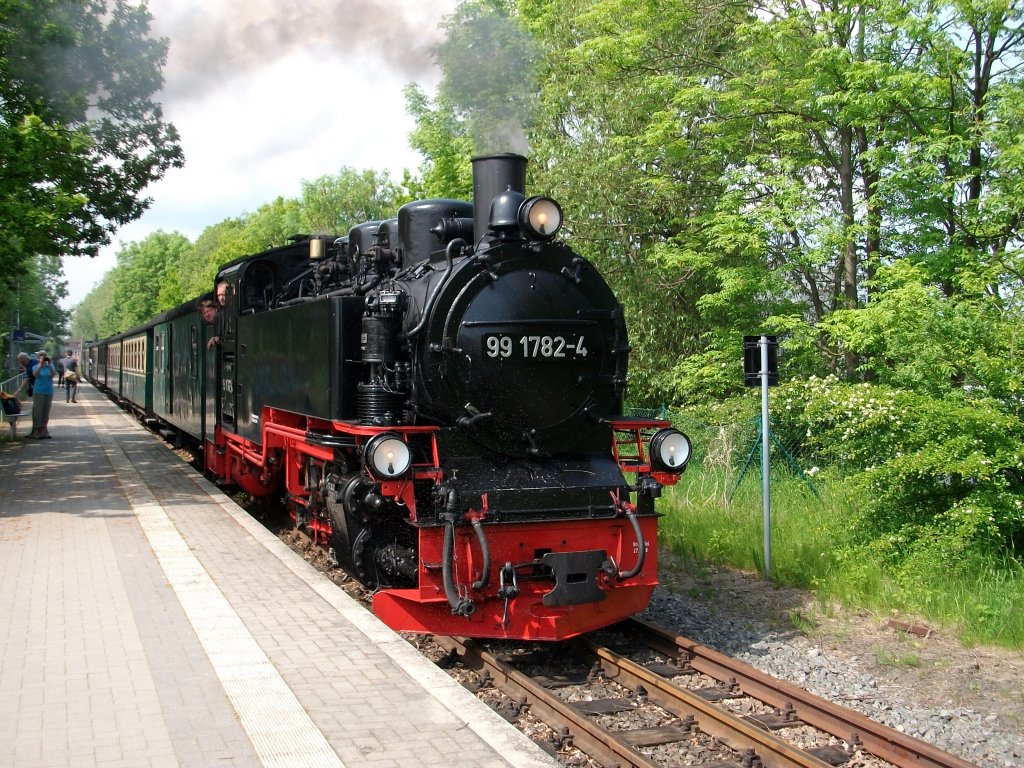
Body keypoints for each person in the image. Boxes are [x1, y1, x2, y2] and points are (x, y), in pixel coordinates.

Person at [29, 351, 55, 439]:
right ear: (38, 358)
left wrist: (50, 364)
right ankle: (37, 429)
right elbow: (35, 375)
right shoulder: (35, 366)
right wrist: (40, 365)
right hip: (38, 391)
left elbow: (53, 375)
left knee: (46, 412)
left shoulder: (50, 366)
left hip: (48, 391)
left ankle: (44, 429)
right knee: (37, 411)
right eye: (41, 356)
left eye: (44, 356)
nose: (43, 357)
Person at [207, 280, 232, 349]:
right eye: (219, 295)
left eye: (223, 294)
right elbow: (218, 336)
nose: (221, 298)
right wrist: (214, 338)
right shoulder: (218, 316)